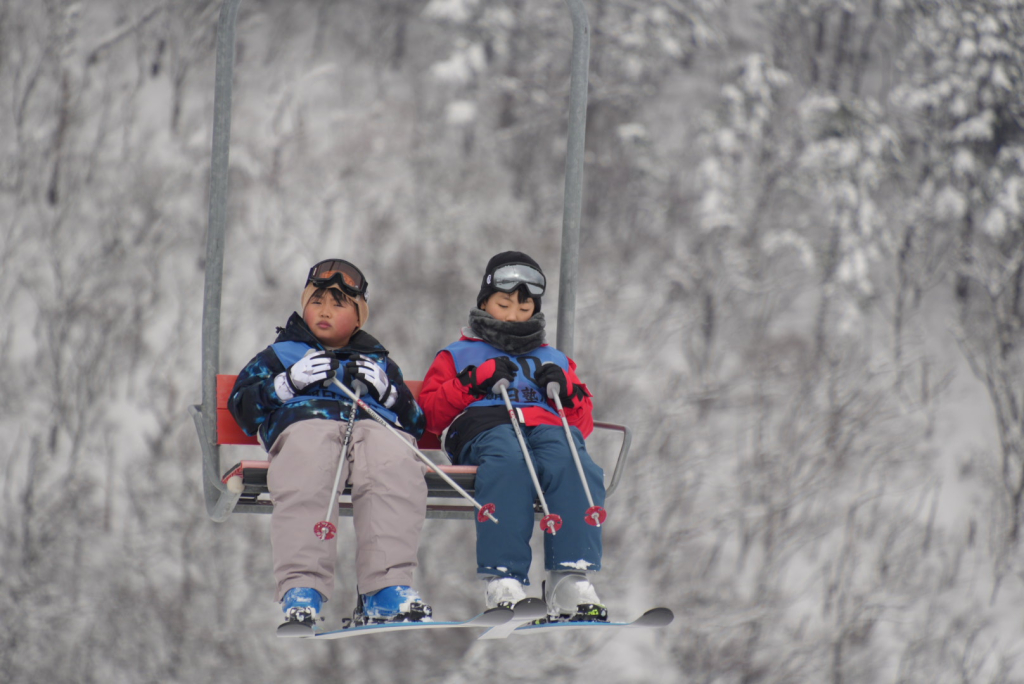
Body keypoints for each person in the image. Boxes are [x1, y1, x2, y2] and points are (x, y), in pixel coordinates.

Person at [229, 258, 431, 630]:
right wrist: (286, 384)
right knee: (308, 462)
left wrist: (388, 394)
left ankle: (386, 586)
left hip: (371, 427)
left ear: (358, 319)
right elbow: (242, 409)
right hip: (308, 422)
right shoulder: (280, 356)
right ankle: (302, 584)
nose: (324, 311)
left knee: (395, 462)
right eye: (317, 301)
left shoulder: (377, 361)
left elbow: (417, 423)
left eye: (338, 305)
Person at [418, 251, 608, 622]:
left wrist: (565, 387)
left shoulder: (552, 357)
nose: (511, 315)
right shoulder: (458, 354)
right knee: (509, 462)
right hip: (485, 426)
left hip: (547, 426)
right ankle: (503, 578)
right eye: (503, 304)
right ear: (485, 303)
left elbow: (581, 424)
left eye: (523, 309)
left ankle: (569, 577)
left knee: (573, 461)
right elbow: (428, 417)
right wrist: (472, 382)